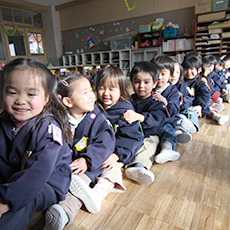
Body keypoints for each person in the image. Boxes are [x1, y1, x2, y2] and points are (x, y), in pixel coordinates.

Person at [0, 58, 72, 230]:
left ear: (47, 98)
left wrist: (6, 201)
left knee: (25, 198)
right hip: (12, 175)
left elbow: (37, 174)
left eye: (31, 94)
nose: (20, 100)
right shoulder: (4, 121)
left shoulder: (50, 129)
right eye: (12, 92)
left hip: (48, 181)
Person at [44, 73, 115, 230]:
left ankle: (64, 214)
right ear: (68, 102)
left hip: (87, 167)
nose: (92, 96)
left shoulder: (97, 117)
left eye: (91, 90)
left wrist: (87, 160)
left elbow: (106, 142)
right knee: (53, 184)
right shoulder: (57, 118)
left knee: (77, 190)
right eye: (85, 93)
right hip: (64, 167)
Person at [121, 61, 173, 184]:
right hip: (132, 134)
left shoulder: (156, 101)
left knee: (148, 146)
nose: (141, 86)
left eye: (146, 82)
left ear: (155, 83)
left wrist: (138, 117)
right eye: (137, 82)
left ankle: (139, 166)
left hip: (150, 134)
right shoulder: (130, 99)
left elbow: (157, 119)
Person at [150, 55, 181, 163]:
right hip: (152, 123)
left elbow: (175, 110)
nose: (159, 77)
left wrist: (165, 102)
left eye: (163, 74)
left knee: (169, 131)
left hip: (167, 121)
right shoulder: (149, 89)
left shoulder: (173, 91)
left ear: (170, 75)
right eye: (156, 73)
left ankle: (167, 149)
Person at [171, 59, 198, 143]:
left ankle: (191, 125)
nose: (174, 76)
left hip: (183, 108)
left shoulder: (181, 84)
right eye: (171, 73)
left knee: (192, 111)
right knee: (180, 117)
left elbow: (189, 98)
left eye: (177, 72)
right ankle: (182, 130)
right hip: (176, 112)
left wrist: (184, 104)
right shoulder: (168, 88)